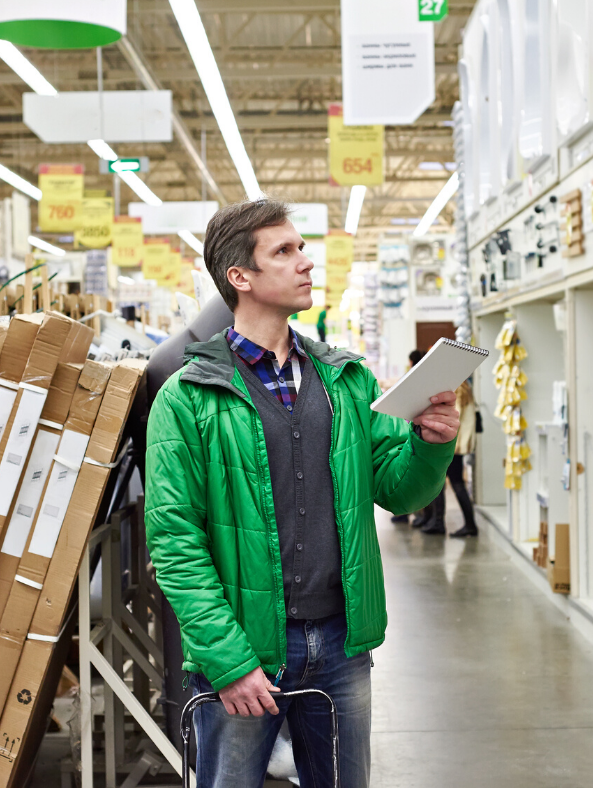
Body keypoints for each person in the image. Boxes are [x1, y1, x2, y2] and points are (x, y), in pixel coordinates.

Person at [145, 198, 459, 788]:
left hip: (341, 646)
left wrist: (432, 445)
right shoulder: (187, 396)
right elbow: (174, 543)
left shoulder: (347, 379)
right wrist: (229, 662)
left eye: (302, 247)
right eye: (283, 251)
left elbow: (400, 490)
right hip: (244, 653)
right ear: (240, 277)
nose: (305, 262)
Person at [421, 380, 479, 537]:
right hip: (458, 444)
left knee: (442, 482)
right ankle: (465, 523)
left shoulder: (458, 389)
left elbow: (452, 418)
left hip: (453, 445)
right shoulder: (465, 388)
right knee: (455, 482)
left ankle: (440, 522)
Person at [390, 348, 426, 526]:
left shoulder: (410, 378)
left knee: (406, 467)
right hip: (413, 428)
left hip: (408, 428)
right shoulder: (425, 379)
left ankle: (411, 514)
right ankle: (417, 515)